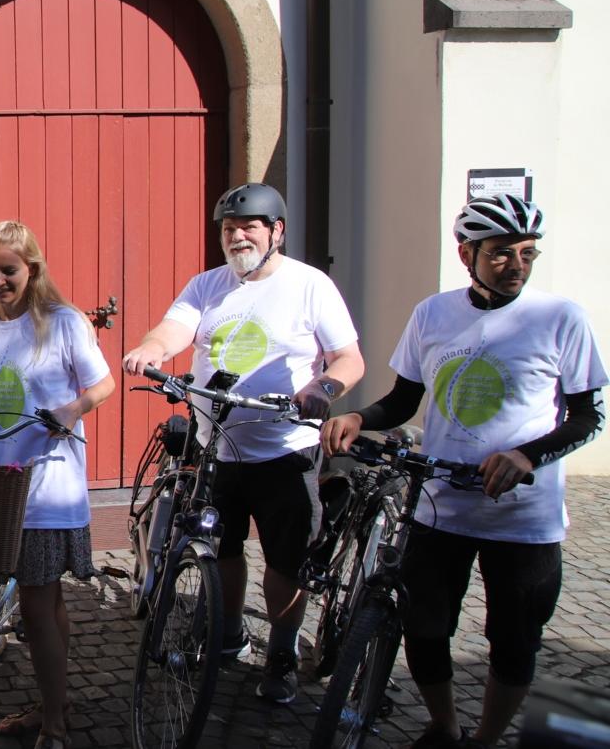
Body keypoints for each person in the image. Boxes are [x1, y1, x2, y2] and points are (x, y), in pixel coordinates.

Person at [321, 194, 605, 749]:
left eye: (527, 253)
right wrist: (358, 415)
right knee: (425, 630)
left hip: (522, 516)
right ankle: (445, 726)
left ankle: (488, 737)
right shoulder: (433, 313)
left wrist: (528, 455)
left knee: (514, 639)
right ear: (466, 254)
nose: (517, 265)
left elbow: (588, 417)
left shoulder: (560, 318)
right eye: (501, 253)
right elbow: (404, 399)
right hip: (440, 505)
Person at [120, 182, 365, 703]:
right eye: (229, 229)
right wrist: (151, 348)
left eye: (248, 227)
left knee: (285, 561)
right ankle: (229, 631)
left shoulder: (309, 285)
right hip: (217, 450)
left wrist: (322, 387)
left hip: (285, 450)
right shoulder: (208, 285)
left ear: (276, 231)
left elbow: (349, 359)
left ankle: (279, 651)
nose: (237, 237)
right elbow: (173, 329)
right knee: (222, 548)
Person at [0, 222, 114, 749]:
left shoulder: (63, 322)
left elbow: (104, 383)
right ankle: (55, 702)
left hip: (49, 486)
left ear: (32, 270)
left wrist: (71, 409)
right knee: (46, 604)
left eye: (9, 270)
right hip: (3, 485)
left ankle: (54, 722)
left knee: (35, 605)